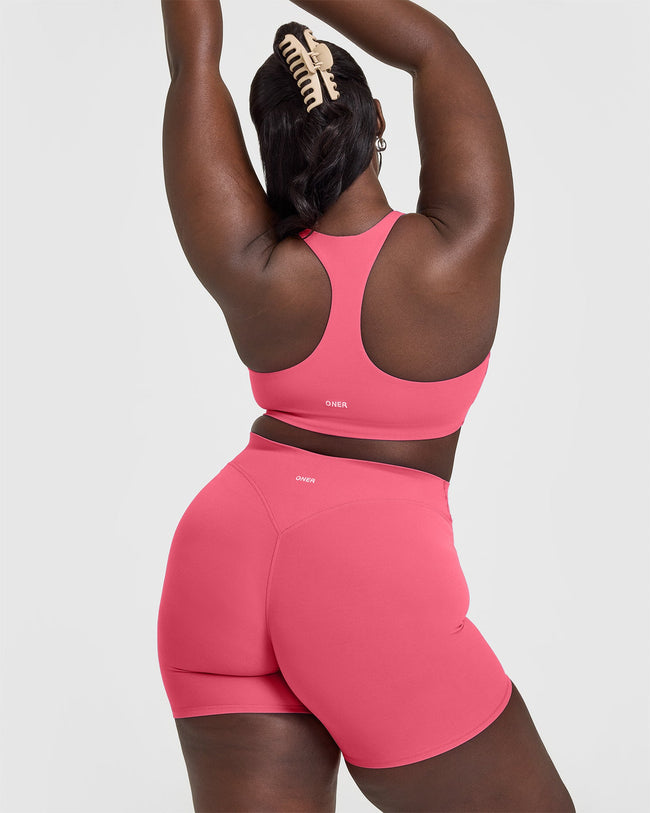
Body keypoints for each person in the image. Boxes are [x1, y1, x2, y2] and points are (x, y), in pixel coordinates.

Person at [156, 1, 575, 810]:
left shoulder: (251, 266)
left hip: (223, 554)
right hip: (365, 574)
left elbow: (192, 62)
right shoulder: (461, 246)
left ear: (266, 151)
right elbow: (432, 47)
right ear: (377, 118)